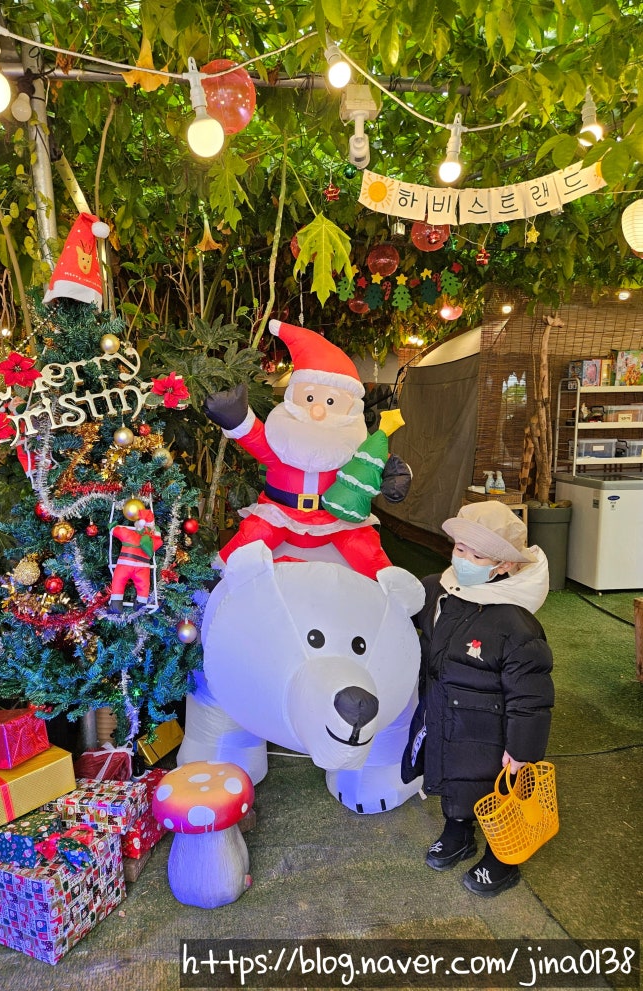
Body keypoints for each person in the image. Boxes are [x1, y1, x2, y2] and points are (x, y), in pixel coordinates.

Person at [402, 500, 554, 896]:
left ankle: (504, 858)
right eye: (460, 549)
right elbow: (406, 611)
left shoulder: (516, 624)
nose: (463, 560)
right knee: (454, 777)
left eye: (477, 556)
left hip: (492, 734)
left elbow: (531, 697)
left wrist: (522, 751)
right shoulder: (438, 589)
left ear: (503, 565)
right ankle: (458, 832)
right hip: (445, 715)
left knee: (498, 792)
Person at [204, 319, 412, 580]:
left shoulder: (351, 443)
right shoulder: (283, 442)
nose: (318, 410)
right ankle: (216, 575)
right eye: (310, 397)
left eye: (331, 401)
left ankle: (390, 585)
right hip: (279, 515)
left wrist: (394, 472)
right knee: (252, 536)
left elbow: (372, 459)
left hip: (335, 519)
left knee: (364, 545)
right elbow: (257, 439)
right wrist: (237, 418)